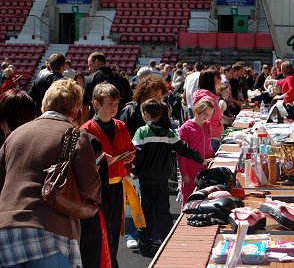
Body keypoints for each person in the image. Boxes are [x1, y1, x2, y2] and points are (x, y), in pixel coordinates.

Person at [0, 79, 101, 268]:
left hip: (6, 230)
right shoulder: (75, 135)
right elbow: (91, 191)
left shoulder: (14, 135)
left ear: (44, 105)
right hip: (51, 229)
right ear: (76, 109)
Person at [132, 99, 209, 257]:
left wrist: (134, 171)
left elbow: (137, 156)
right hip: (162, 180)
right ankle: (167, 242)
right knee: (163, 212)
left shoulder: (141, 132)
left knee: (146, 213)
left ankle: (145, 246)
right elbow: (184, 149)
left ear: (146, 114)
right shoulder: (169, 133)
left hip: (146, 180)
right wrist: (201, 159)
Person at [81, 83, 135, 268]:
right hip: (99, 188)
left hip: (118, 185)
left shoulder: (121, 126)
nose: (115, 107)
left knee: (113, 231)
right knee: (100, 232)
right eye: (110, 103)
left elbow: (130, 150)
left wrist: (129, 156)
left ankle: (111, 262)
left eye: (116, 103)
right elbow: (82, 163)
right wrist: (102, 161)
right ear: (96, 104)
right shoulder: (86, 129)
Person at [178, 99, 216, 206]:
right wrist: (184, 173)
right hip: (191, 170)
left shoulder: (208, 125)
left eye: (209, 115)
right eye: (204, 113)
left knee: (204, 199)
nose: (206, 117)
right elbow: (181, 154)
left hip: (206, 168)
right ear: (197, 110)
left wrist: (214, 156)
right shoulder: (185, 128)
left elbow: (208, 146)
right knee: (189, 199)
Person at [82, 52, 132, 122]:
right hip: (118, 123)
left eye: (90, 65)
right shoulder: (122, 78)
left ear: (96, 62)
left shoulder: (90, 79)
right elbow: (128, 101)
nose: (89, 69)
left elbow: (85, 106)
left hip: (96, 125)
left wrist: (85, 125)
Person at [192, 69, 223, 152]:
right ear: (210, 81)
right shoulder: (208, 99)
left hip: (211, 136)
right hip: (210, 138)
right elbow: (203, 121)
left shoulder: (209, 97)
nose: (220, 80)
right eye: (217, 78)